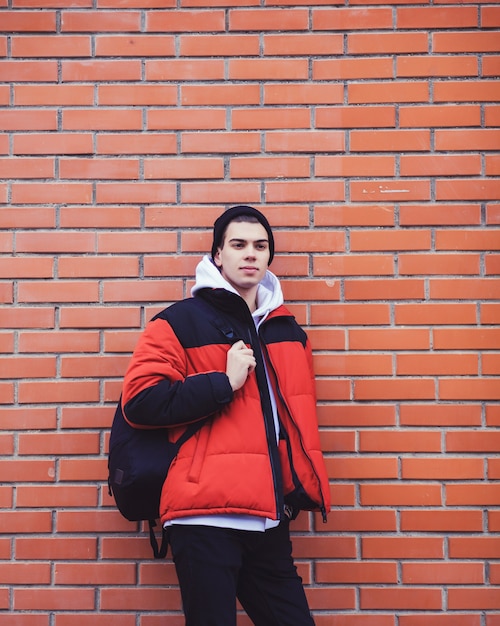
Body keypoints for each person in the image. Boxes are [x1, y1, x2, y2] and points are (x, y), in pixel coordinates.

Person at [120, 205, 331, 626]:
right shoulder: (179, 322)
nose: (250, 254)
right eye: (238, 245)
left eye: (260, 245)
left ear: (269, 257)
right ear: (218, 255)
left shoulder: (287, 332)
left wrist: (293, 493)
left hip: (268, 519)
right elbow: (140, 401)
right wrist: (222, 383)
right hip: (203, 517)